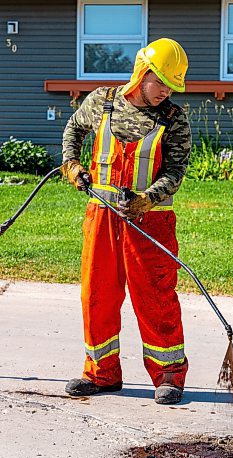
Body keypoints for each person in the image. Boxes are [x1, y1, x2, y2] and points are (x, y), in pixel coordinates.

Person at [61, 38, 192, 405]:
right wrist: (71, 164)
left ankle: (169, 375)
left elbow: (176, 172)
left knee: (156, 297)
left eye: (172, 86)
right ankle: (100, 373)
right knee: (97, 293)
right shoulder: (102, 102)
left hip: (151, 221)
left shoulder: (174, 119)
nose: (165, 92)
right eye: (161, 82)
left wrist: (145, 200)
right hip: (102, 215)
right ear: (141, 73)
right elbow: (73, 130)